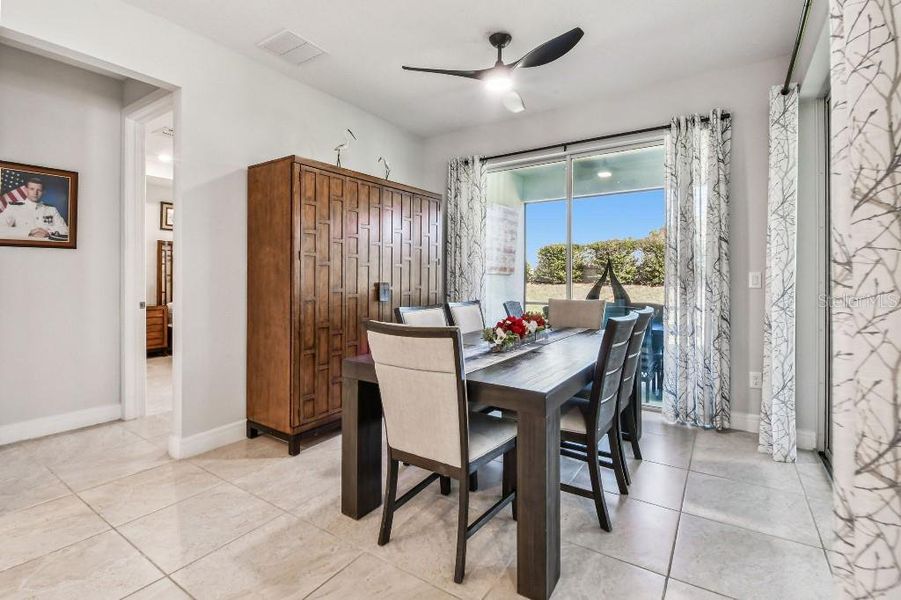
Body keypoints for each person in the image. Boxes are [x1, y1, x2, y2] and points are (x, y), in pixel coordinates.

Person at [0, 177, 69, 240]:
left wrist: (48, 232)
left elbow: (65, 230)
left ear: (43, 192)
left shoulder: (51, 209)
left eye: (39, 190)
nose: (35, 193)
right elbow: (1, 229)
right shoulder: (14, 207)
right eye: (32, 189)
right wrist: (29, 232)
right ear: (26, 190)